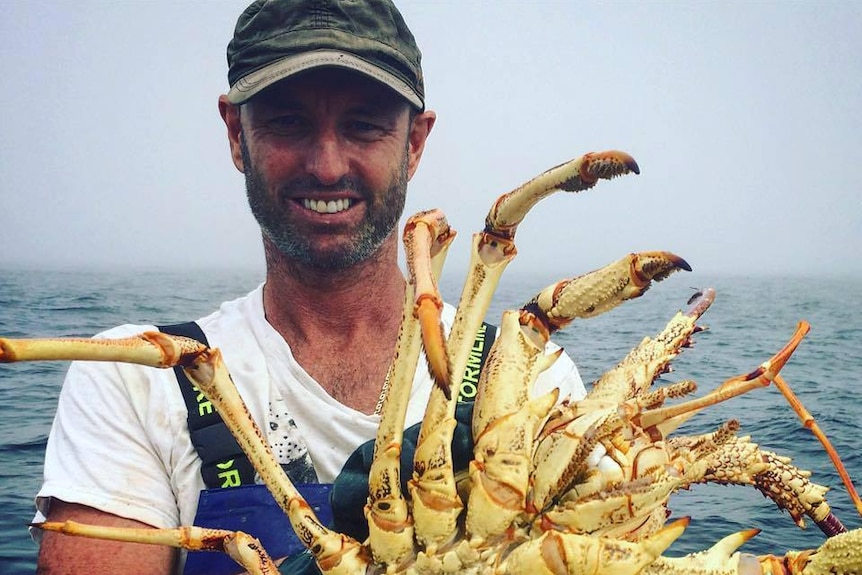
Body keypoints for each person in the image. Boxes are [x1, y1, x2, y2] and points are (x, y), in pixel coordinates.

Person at [33, 1, 586, 574]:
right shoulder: (136, 379)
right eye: (288, 122)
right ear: (236, 135)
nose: (326, 167)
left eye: (364, 125)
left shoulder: (529, 376)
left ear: (414, 143)